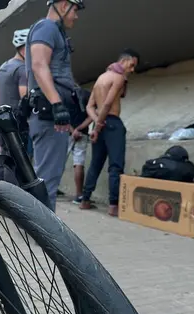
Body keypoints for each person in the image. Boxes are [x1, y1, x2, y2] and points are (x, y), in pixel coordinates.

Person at [26, 0, 85, 212]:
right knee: (47, 181)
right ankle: (45, 236)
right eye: (75, 10)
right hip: (49, 115)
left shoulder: (53, 31)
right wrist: (57, 105)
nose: (76, 16)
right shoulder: (47, 27)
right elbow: (39, 65)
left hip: (50, 114)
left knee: (46, 177)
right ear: (62, 5)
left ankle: (41, 228)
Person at [79, 49, 140, 216]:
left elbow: (90, 106)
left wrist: (97, 124)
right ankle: (114, 205)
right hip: (112, 123)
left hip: (100, 123)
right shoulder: (118, 78)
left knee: (95, 164)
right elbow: (107, 104)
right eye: (132, 64)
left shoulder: (100, 78)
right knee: (115, 165)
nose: (132, 69)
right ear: (124, 60)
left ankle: (85, 199)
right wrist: (99, 125)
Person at [0, 28, 30, 185]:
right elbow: (25, 96)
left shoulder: (3, 67)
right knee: (15, 158)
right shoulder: (22, 69)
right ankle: (11, 197)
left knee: (3, 155)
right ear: (23, 49)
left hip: (0, 116)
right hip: (16, 119)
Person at [69, 86, 91, 204]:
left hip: (65, 132)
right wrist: (79, 129)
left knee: (57, 163)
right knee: (79, 164)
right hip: (82, 133)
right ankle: (79, 195)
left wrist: (73, 131)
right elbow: (92, 114)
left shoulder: (64, 94)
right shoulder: (87, 94)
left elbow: (62, 115)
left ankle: (51, 189)